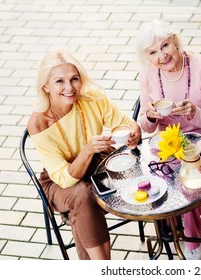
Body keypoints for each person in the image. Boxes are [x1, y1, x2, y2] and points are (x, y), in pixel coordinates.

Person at [27, 50, 141, 260]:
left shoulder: (92, 98)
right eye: (59, 81)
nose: (69, 88)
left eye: (74, 79)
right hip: (60, 181)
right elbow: (64, 177)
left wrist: (134, 133)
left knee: (138, 169)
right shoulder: (38, 123)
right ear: (46, 86)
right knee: (83, 196)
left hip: (97, 163)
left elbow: (126, 123)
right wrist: (88, 149)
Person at [136, 19, 201, 260]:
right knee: (155, 179)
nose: (161, 56)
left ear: (175, 42)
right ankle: (169, 226)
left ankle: (193, 238)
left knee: (188, 184)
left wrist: (196, 113)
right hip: (165, 142)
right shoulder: (148, 74)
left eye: (165, 46)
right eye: (153, 52)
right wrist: (151, 117)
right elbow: (144, 125)